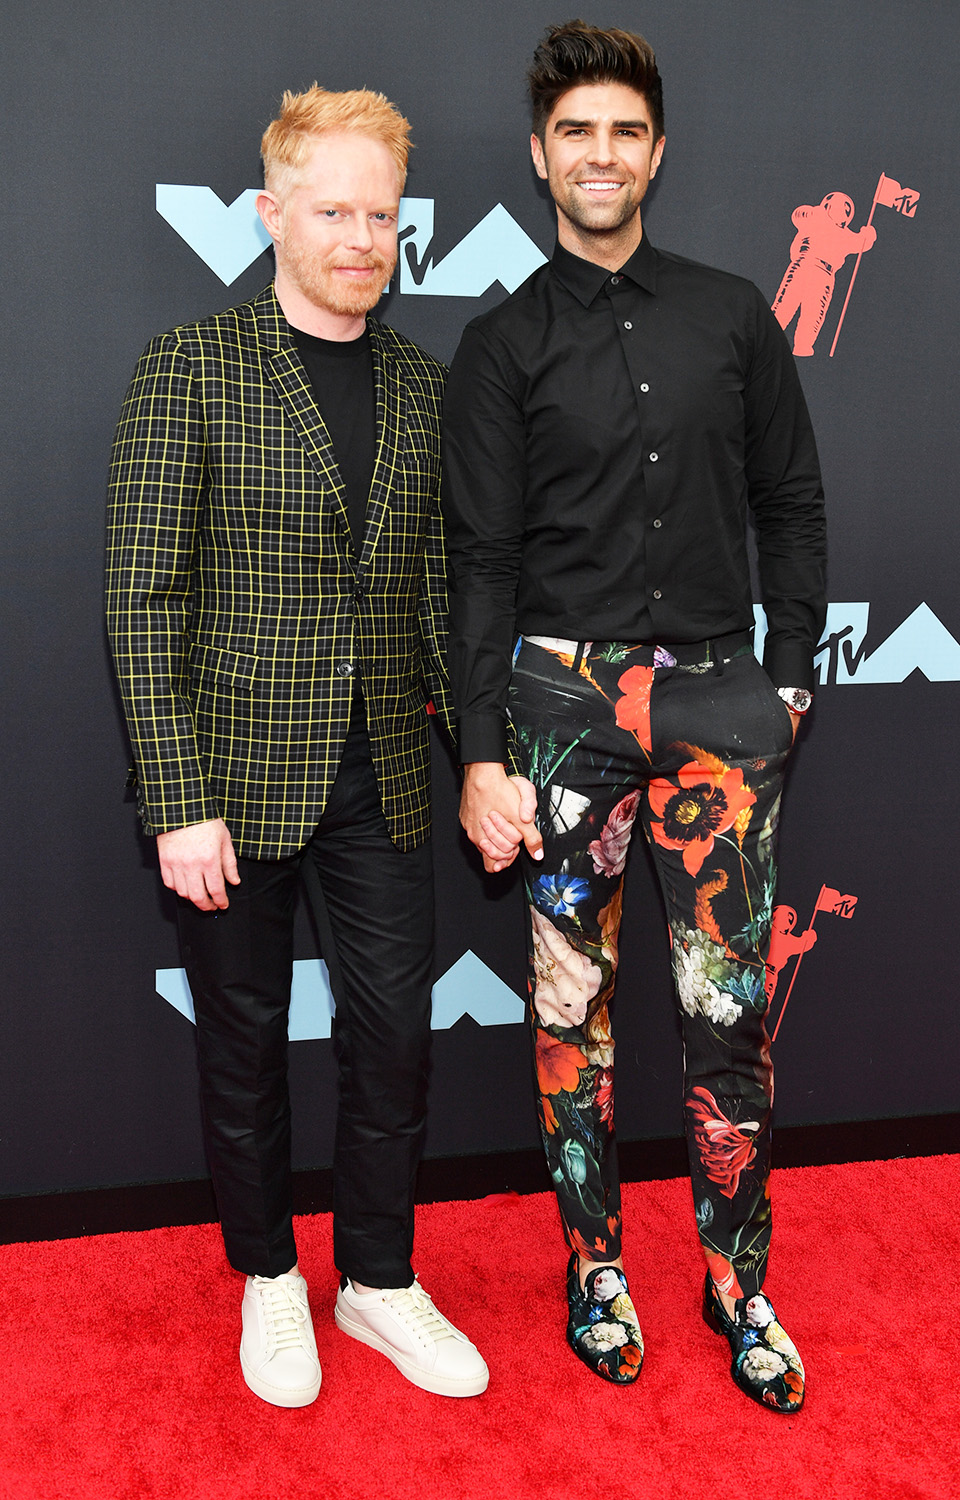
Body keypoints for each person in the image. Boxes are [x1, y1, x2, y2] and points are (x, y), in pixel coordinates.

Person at [442, 22, 824, 1413]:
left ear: (655, 152)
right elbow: (477, 562)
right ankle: (594, 1267)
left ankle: (741, 1284)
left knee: (730, 1019)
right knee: (573, 1014)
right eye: (575, 132)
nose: (599, 155)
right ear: (543, 156)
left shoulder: (731, 314)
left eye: (624, 131)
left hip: (726, 699)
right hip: (562, 710)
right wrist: (482, 750)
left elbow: (791, 502)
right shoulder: (499, 345)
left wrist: (788, 683)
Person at [106, 85, 488, 1408]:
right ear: (271, 212)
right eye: (333, 210)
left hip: (382, 776)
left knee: (395, 1042)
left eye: (380, 214)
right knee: (246, 1044)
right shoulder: (188, 365)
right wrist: (176, 798)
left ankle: (377, 1282)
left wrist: (481, 757)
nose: (360, 237)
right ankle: (271, 1281)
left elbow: (440, 603)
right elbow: (141, 599)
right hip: (227, 787)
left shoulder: (425, 387)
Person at [771, 192, 876, 356]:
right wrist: (813, 212)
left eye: (847, 209)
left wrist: (868, 235)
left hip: (824, 274)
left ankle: (802, 347)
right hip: (803, 264)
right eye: (841, 205)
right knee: (786, 304)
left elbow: (860, 243)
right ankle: (766, 338)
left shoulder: (845, 234)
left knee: (813, 313)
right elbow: (798, 215)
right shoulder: (814, 217)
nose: (843, 210)